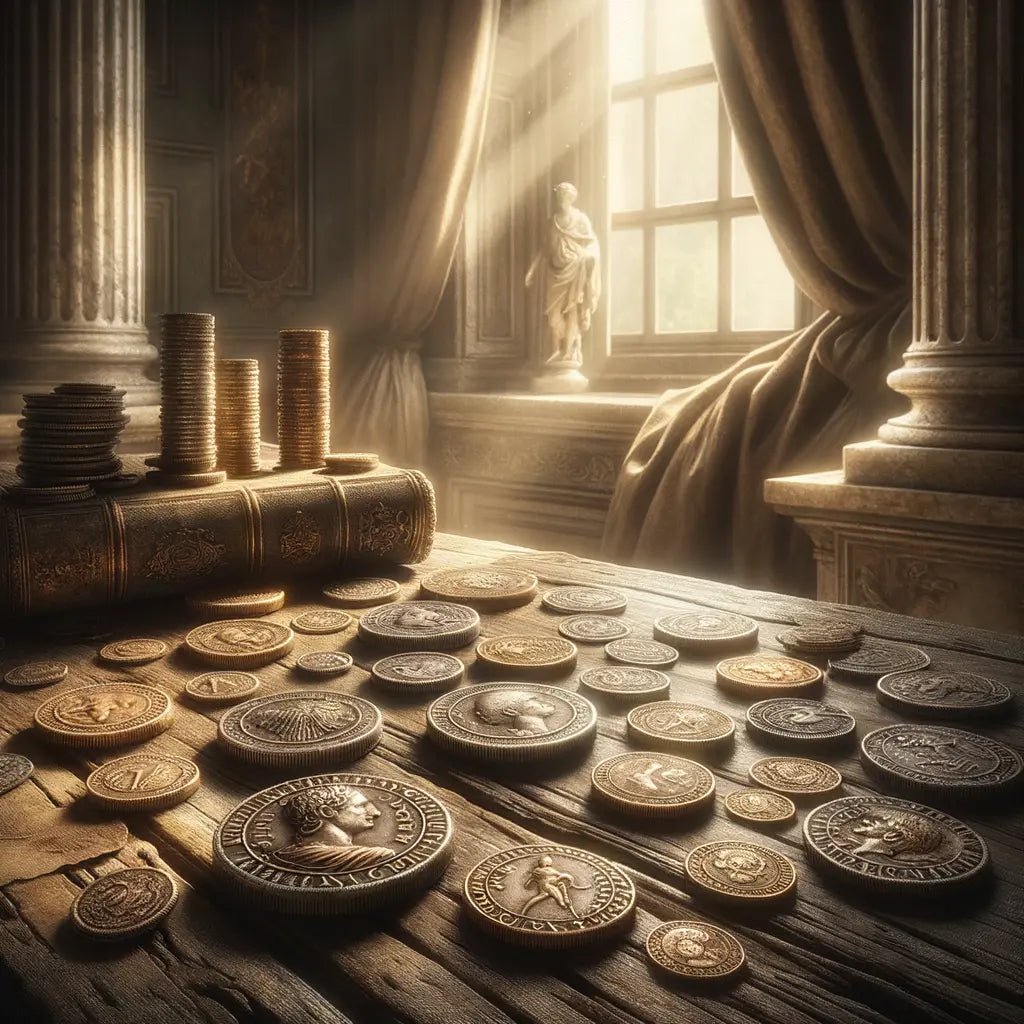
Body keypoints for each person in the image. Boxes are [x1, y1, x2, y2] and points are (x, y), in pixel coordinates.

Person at [525, 182, 601, 366]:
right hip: (555, 271)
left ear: (572, 197)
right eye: (558, 195)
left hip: (576, 267)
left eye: (564, 195)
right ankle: (557, 350)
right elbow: (545, 249)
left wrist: (589, 261)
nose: (561, 198)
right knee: (553, 317)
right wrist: (532, 270)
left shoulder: (581, 219)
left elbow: (592, 244)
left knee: (573, 309)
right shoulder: (552, 221)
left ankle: (569, 351)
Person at [272, 784, 395, 872]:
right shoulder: (380, 855)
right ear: (327, 811)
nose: (376, 812)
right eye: (361, 806)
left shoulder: (281, 857)